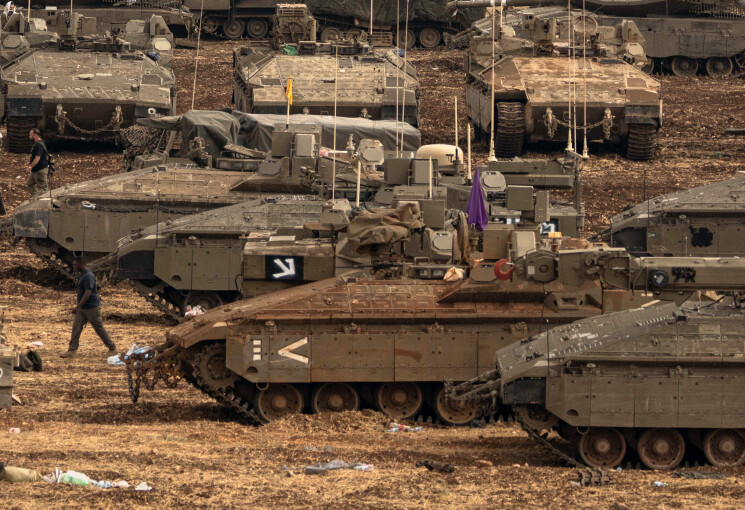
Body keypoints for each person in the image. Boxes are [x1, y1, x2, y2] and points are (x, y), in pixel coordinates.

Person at [61, 256, 118, 358]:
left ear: (81, 264)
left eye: (75, 264)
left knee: (99, 328)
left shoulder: (88, 276)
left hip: (91, 307)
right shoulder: (83, 274)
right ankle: (72, 350)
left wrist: (78, 306)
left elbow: (88, 292)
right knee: (76, 327)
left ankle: (112, 348)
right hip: (83, 308)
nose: (74, 266)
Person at [26, 128, 49, 196]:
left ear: (35, 135)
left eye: (31, 135)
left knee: (43, 190)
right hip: (35, 170)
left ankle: (43, 200)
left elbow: (37, 157)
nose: (29, 136)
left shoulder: (39, 145)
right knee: (30, 184)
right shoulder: (37, 143)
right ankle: (36, 198)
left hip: (40, 170)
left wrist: (30, 167)